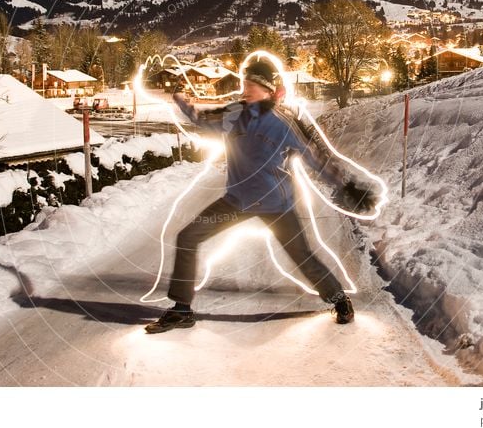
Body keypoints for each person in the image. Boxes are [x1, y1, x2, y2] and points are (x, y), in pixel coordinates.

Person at [144, 58, 354, 334]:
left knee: (302, 256)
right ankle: (182, 310)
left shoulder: (283, 122)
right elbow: (201, 118)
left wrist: (346, 187)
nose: (245, 88)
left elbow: (315, 157)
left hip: (275, 205)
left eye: (252, 84)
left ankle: (339, 299)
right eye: (245, 83)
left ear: (267, 89)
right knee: (188, 236)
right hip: (237, 202)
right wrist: (181, 99)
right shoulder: (234, 115)